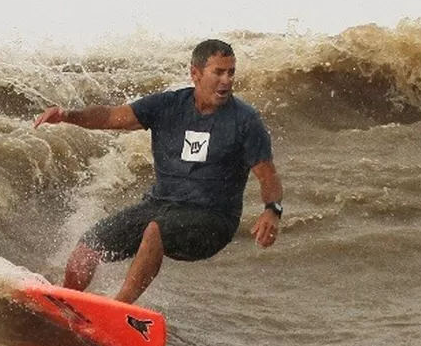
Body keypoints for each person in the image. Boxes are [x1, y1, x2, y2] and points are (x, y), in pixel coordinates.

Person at [33, 39, 284, 304]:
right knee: (90, 244)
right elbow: (110, 116)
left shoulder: (245, 121)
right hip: (159, 204)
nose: (226, 81)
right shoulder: (168, 105)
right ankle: (65, 303)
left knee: (155, 230)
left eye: (230, 72)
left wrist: (272, 210)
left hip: (213, 219)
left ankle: (119, 310)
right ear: (195, 74)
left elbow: (267, 175)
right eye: (218, 72)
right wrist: (66, 115)